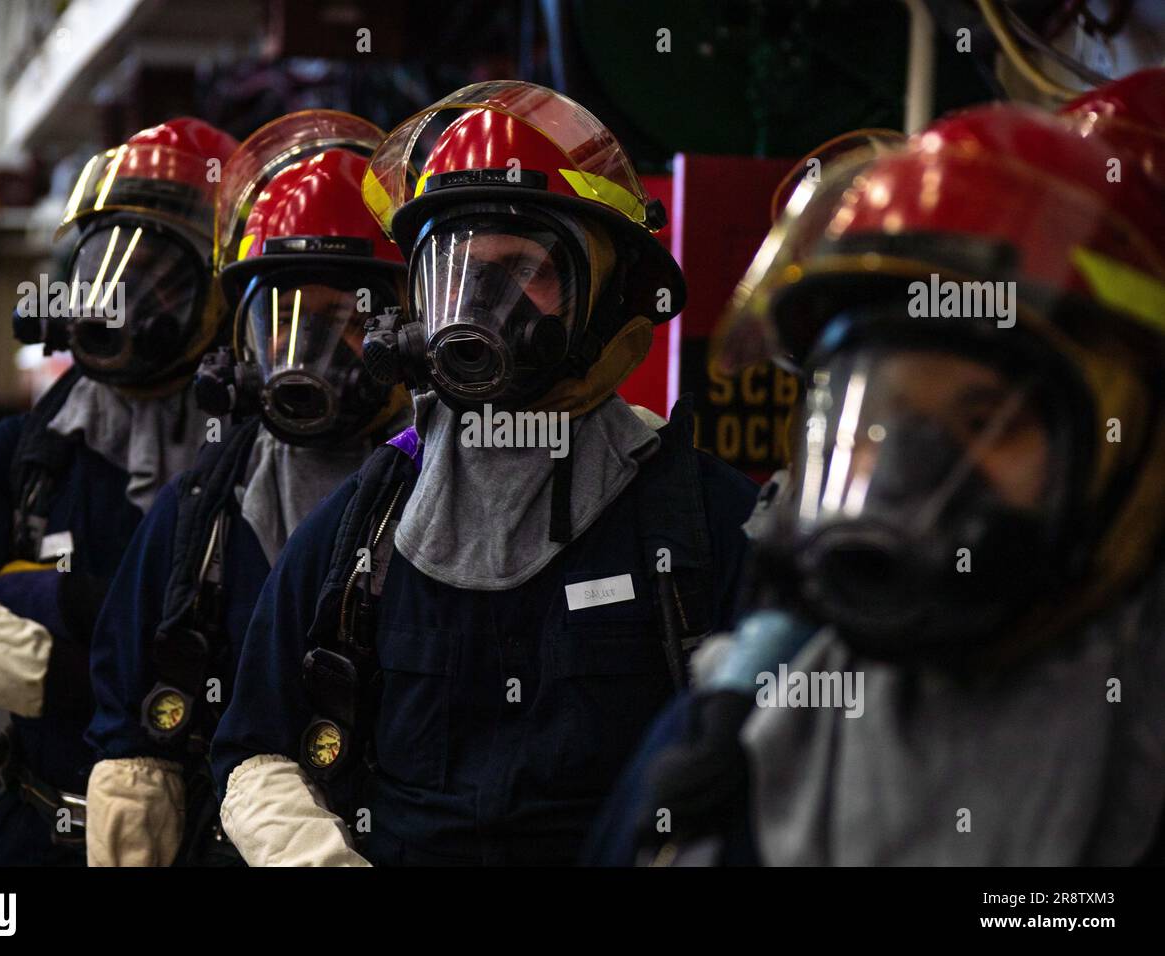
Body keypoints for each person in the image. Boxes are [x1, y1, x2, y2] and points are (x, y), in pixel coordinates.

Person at [586, 100, 1165, 866]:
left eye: (987, 419)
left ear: (1126, 448)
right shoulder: (731, 736)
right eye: (878, 424)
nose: (911, 477)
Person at [208, 80, 762, 866]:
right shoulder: (364, 523)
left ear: (605, 291)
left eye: (522, 267)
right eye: (455, 270)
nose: (478, 304)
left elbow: (793, 766)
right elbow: (254, 748)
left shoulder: (700, 523)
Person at [0, 118, 239, 865]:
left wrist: (42, 606)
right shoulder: (20, 458)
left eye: (161, 272)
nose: (123, 299)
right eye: (108, 260)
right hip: (45, 830)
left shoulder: (256, 465)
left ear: (220, 296)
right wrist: (97, 659)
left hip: (210, 841)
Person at [84, 111, 410, 866]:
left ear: (404, 321)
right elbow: (132, 745)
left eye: (341, 320)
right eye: (282, 321)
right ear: (241, 336)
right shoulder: (201, 510)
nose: (305, 356)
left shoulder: (441, 505)